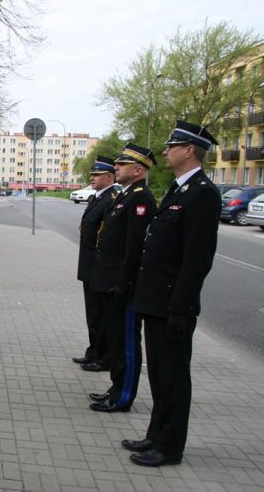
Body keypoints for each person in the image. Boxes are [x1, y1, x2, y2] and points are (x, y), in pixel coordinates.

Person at [124, 121, 221, 467]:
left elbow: (197, 260)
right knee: (159, 374)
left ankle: (169, 447)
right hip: (156, 300)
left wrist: (181, 307)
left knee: (173, 377)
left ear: (189, 150)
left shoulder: (203, 193)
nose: (165, 151)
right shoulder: (179, 190)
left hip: (172, 305)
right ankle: (155, 434)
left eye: (171, 145)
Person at [88, 143, 156, 413]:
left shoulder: (140, 198)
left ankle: (123, 395)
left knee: (125, 344)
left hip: (122, 284)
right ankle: (115, 388)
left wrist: (124, 282)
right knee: (115, 341)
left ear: (138, 170)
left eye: (122, 165)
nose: (116, 167)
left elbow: (134, 246)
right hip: (110, 281)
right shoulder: (125, 195)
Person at [73, 156, 118, 370]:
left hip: (99, 268)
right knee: (93, 313)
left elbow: (106, 237)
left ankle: (103, 357)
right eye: (92, 174)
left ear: (109, 177)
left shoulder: (111, 199)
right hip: (89, 266)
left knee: (101, 316)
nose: (92, 178)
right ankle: (93, 351)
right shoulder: (97, 198)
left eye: (97, 175)